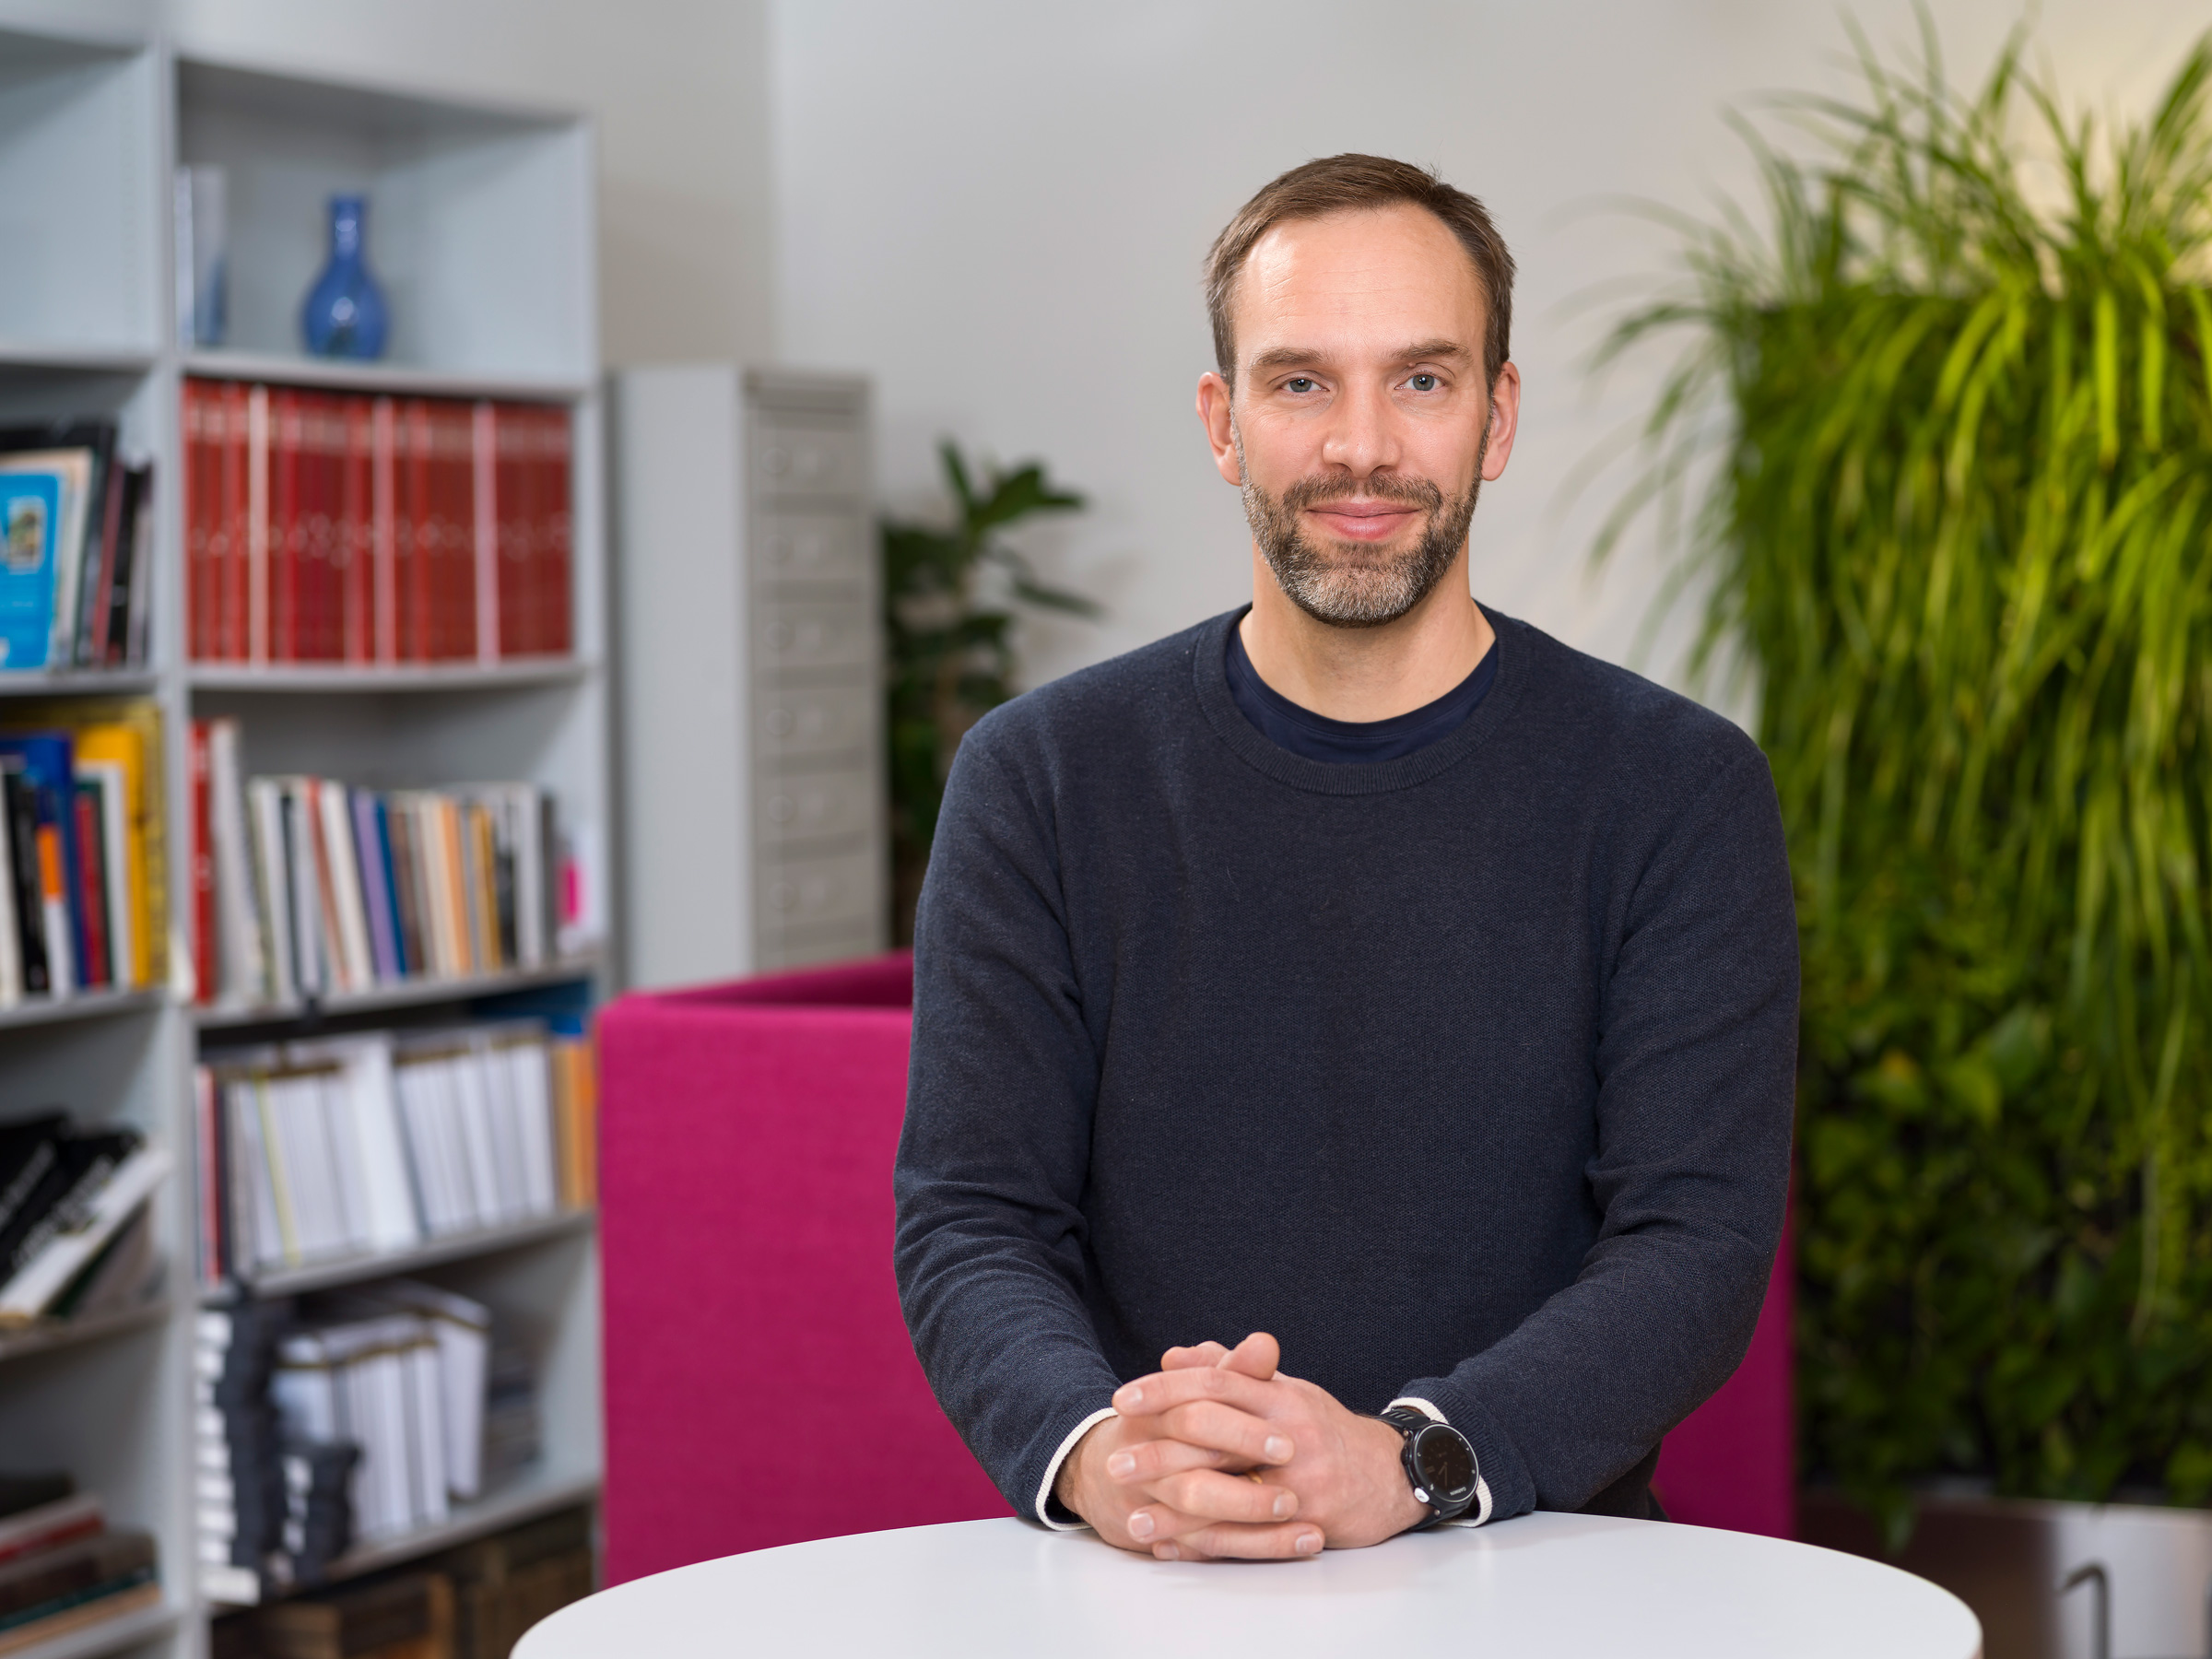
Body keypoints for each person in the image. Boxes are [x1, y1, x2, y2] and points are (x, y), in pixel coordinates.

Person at [893, 153, 1796, 1563]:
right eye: (1301, 381)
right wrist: (1107, 1455)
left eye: (1422, 380)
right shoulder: (1039, 778)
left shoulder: (1677, 789)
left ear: (1497, 417)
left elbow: (1696, 1244)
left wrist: (1411, 1460)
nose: (1361, 447)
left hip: (1537, 1575)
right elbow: (973, 1219)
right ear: (1224, 422)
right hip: (1152, 1573)